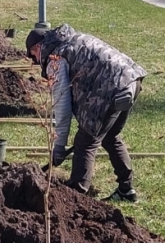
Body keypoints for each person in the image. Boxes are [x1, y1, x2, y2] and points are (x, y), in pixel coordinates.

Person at [26, 24, 147, 202]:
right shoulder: (71, 40)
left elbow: (63, 106)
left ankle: (75, 196)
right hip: (131, 80)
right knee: (110, 136)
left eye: (32, 55)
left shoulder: (55, 58)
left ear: (37, 47)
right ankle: (126, 190)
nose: (34, 60)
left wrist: (59, 146)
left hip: (110, 90)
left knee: (85, 142)